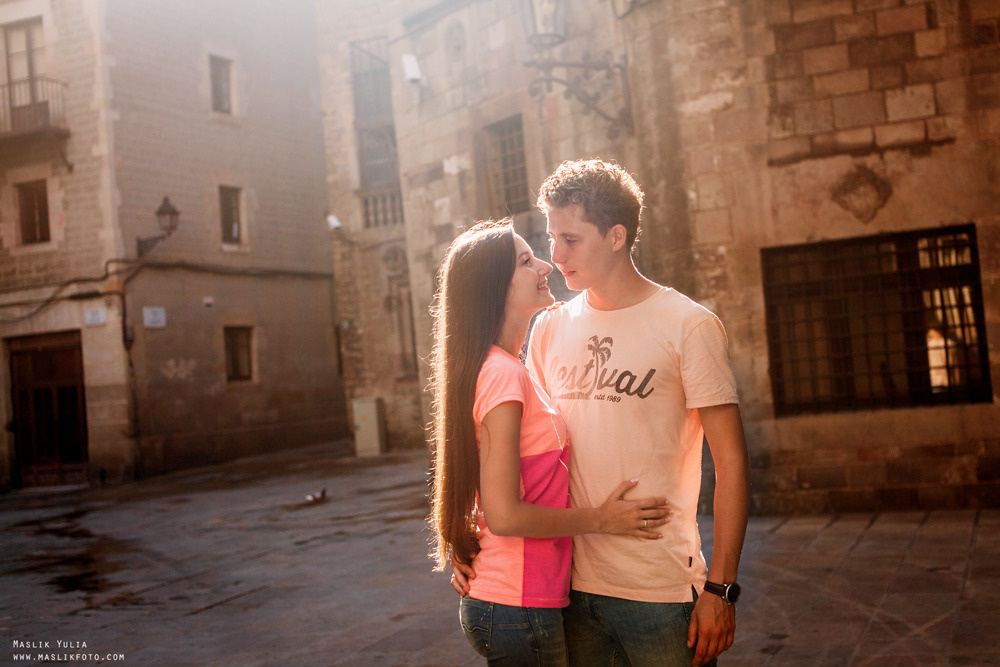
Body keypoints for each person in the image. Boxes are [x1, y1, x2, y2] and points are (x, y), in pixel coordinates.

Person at [453, 160, 751, 666]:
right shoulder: (547, 327)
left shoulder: (688, 325)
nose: (555, 254)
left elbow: (732, 465)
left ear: (617, 236)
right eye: (550, 238)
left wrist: (720, 589)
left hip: (659, 588)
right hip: (565, 592)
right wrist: (468, 530)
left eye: (570, 239)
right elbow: (523, 450)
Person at [429, 219, 673, 665]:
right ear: (494, 289)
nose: (544, 263)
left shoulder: (500, 368)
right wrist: (602, 520)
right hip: (518, 604)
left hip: (510, 599)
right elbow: (504, 515)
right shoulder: (502, 377)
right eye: (525, 261)